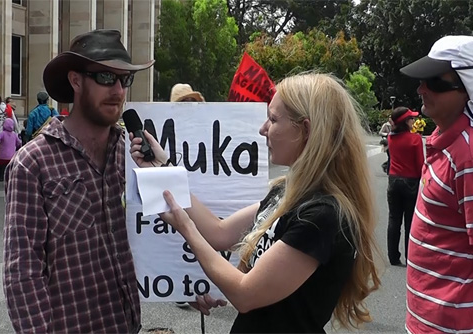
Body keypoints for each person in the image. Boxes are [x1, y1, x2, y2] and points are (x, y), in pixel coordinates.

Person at [130, 73, 381, 333]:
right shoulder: (287, 192)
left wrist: (185, 228)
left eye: (273, 119)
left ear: (305, 130)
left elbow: (244, 294)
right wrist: (163, 167)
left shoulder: (322, 216)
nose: (263, 129)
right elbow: (219, 232)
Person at [3, 29, 154, 333]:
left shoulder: (132, 154)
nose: (118, 90)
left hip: (125, 324)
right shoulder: (33, 163)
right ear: (76, 80)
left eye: (124, 79)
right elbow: (23, 270)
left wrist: (192, 284)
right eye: (105, 78)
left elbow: (164, 233)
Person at [399, 35, 473, 334]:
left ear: (469, 87)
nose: (421, 89)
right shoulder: (444, 144)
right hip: (427, 319)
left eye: (434, 81)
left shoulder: (472, 157)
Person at [170, 83, 205, 309]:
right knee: (177, 240)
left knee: (198, 239)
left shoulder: (206, 126)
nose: (190, 106)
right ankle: (179, 287)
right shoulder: (164, 128)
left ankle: (200, 285)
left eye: (193, 101)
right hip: (175, 193)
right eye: (184, 101)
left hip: (198, 192)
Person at [385, 107, 423, 266]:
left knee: (394, 220)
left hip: (394, 181)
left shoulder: (390, 138)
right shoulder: (415, 139)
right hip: (411, 182)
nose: (413, 121)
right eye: (411, 119)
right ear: (405, 122)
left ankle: (393, 257)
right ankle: (410, 257)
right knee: (409, 221)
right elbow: (420, 164)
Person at [0, 118, 20, 186]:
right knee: (10, 169)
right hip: (11, 155)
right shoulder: (14, 134)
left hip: (2, 155)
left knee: (0, 168)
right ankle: (10, 181)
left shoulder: (3, 133)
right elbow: (19, 142)